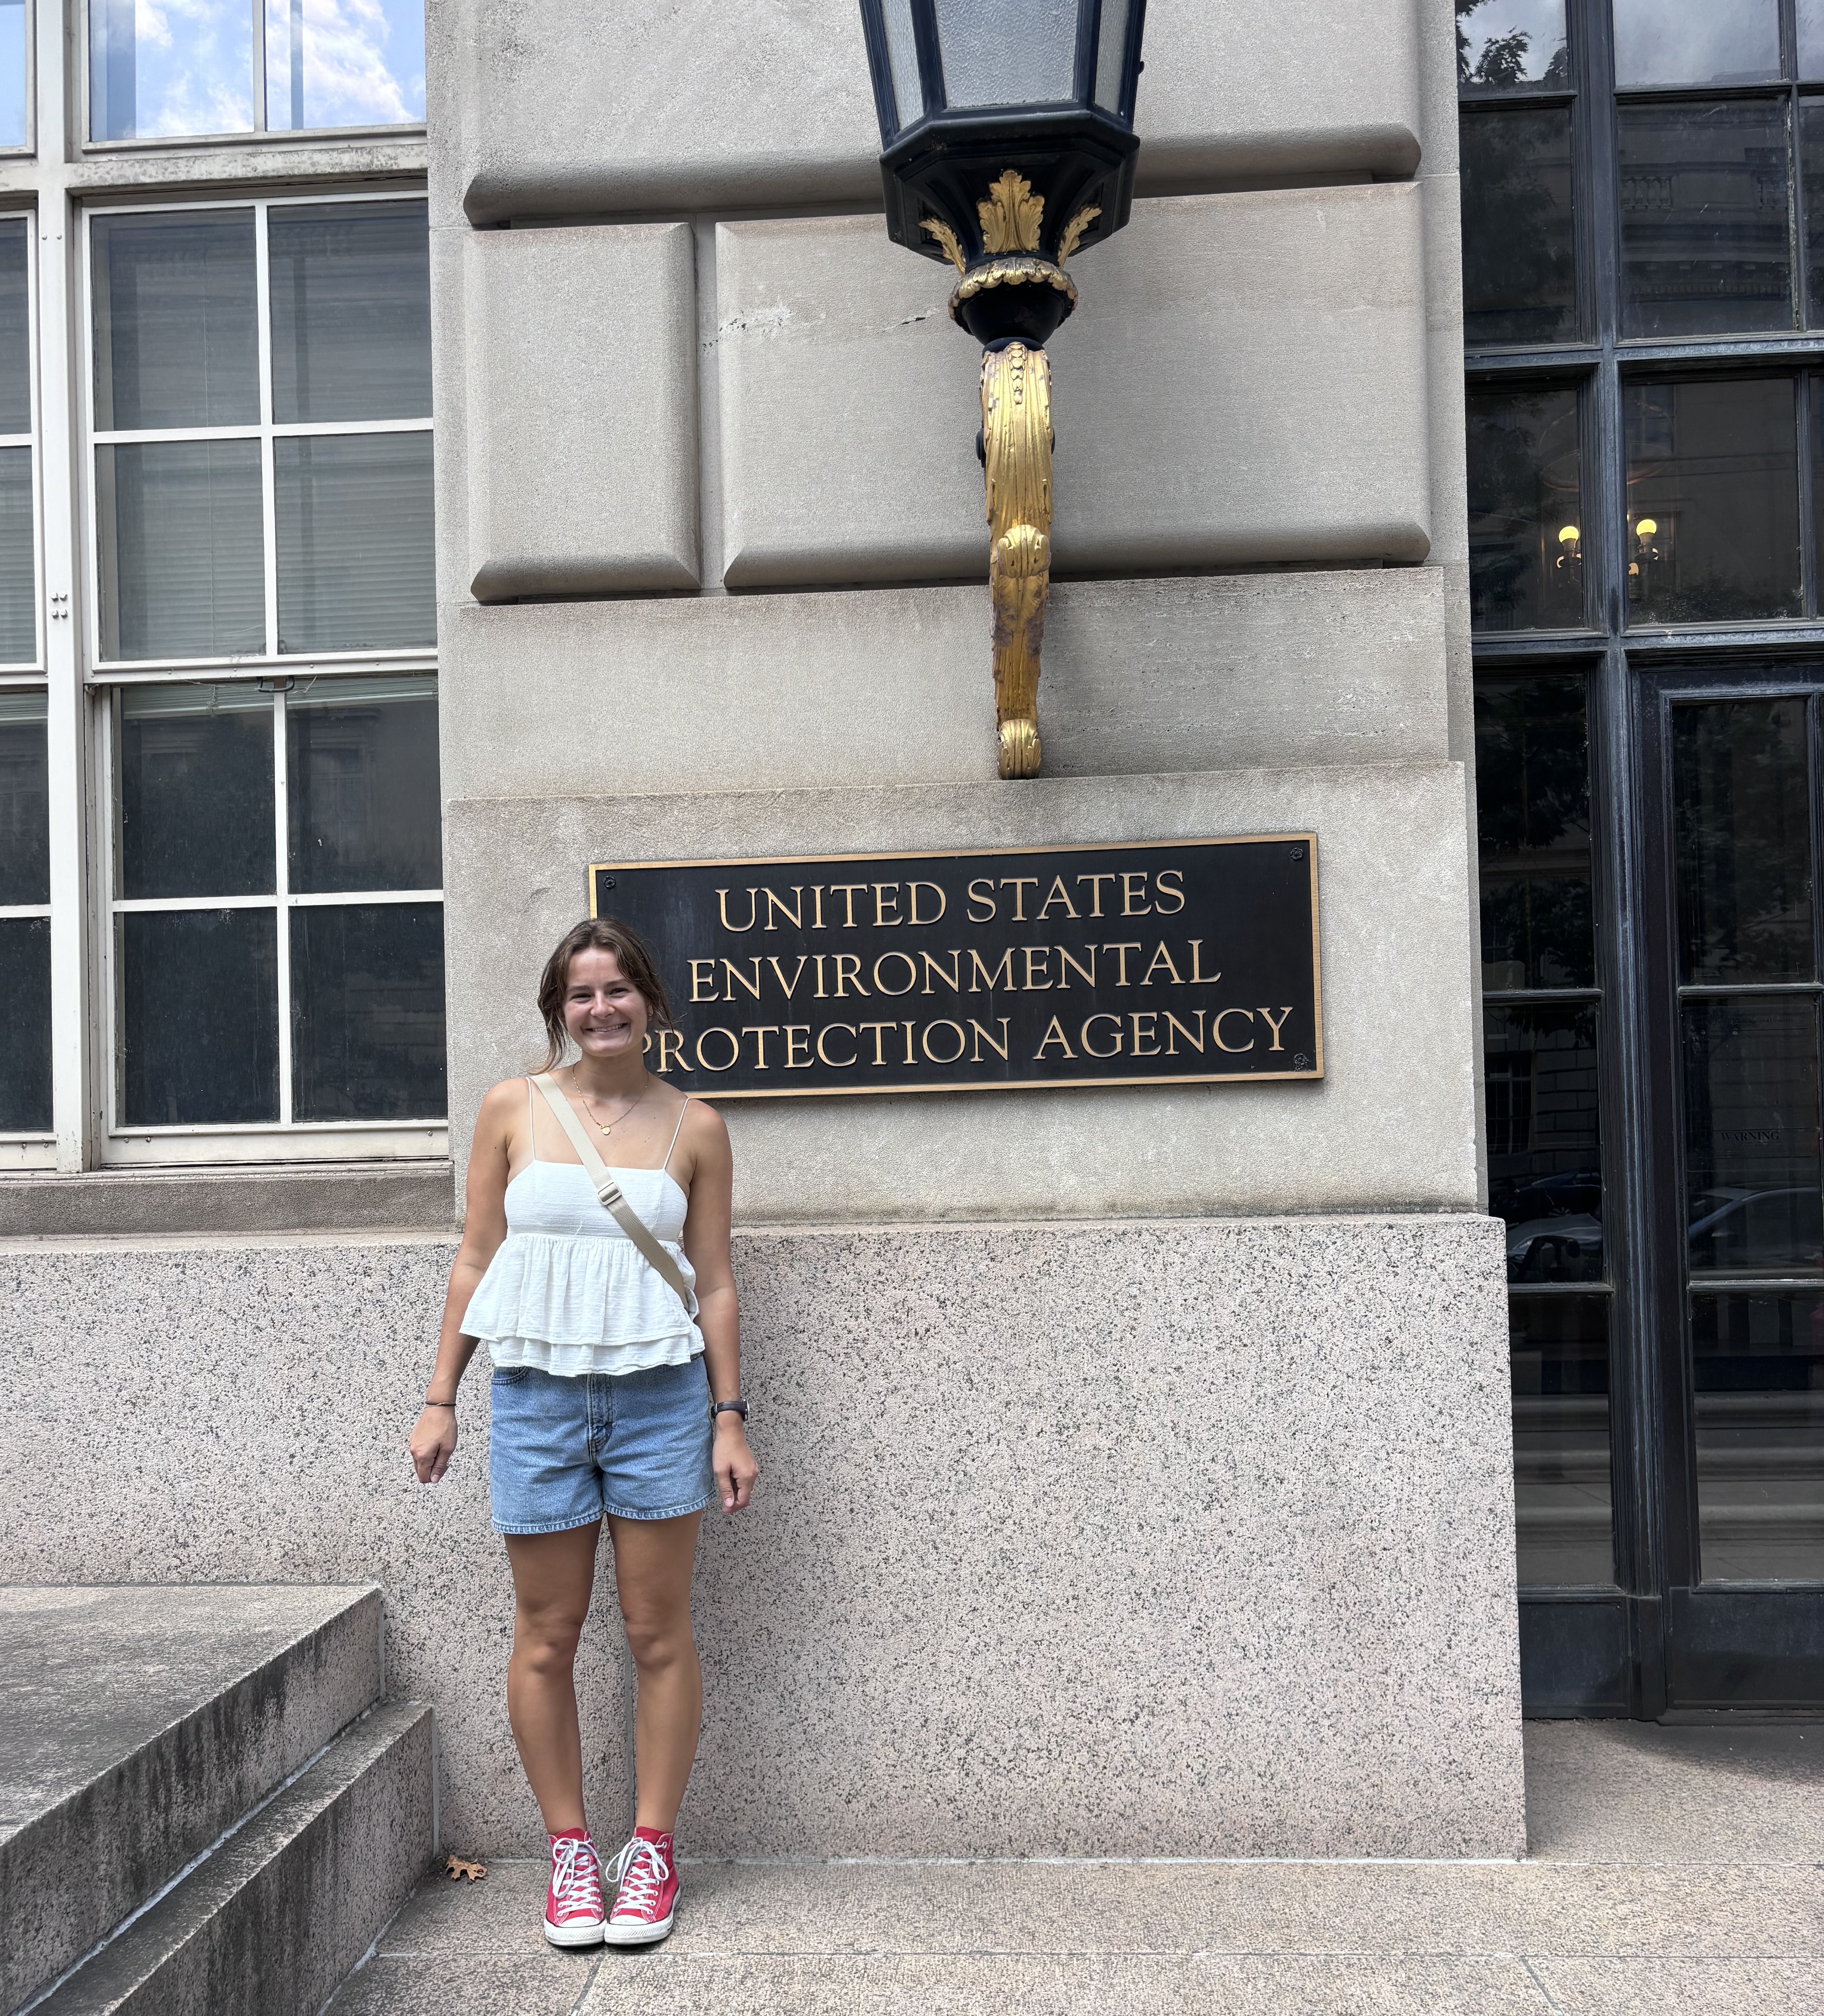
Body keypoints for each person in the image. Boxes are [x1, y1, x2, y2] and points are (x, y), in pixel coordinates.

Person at [408, 917, 758, 1949]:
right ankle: (569, 1853)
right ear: (559, 1009)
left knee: (658, 1632)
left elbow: (718, 1279)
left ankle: (649, 1850)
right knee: (546, 1634)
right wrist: (442, 1397)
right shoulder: (514, 1107)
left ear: (649, 999)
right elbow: (476, 1255)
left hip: (659, 1398)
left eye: (617, 989)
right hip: (534, 1395)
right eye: (580, 993)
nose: (600, 1008)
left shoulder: (696, 1123)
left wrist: (728, 1417)